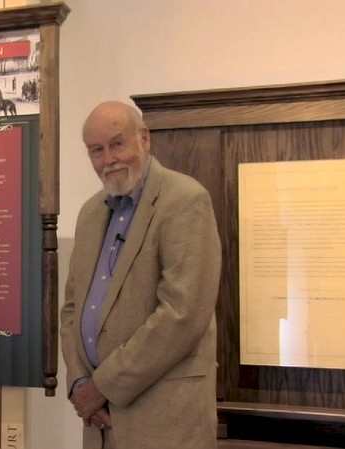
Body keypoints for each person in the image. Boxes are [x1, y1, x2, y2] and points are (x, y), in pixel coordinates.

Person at [60, 101, 221, 449]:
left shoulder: (185, 200)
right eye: (96, 150)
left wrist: (102, 387)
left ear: (144, 139)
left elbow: (183, 315)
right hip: (98, 421)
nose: (108, 159)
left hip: (164, 421)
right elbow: (72, 310)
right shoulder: (90, 213)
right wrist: (78, 384)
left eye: (118, 144)